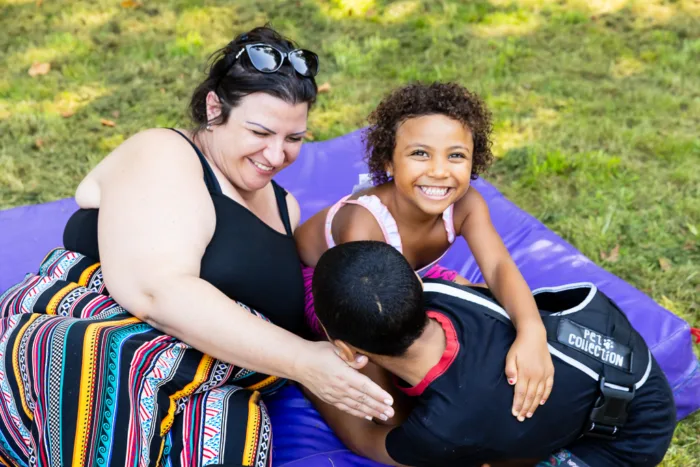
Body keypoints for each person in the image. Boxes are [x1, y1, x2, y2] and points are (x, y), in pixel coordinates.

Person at [0, 26, 394, 467]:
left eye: (294, 138)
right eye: (260, 131)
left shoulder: (286, 207)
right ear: (214, 108)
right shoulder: (164, 152)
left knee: (227, 432)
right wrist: (303, 360)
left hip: (215, 379)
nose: (277, 153)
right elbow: (155, 292)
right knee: (108, 366)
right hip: (99, 338)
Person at [296, 82, 554, 420]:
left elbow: (498, 267)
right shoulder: (363, 224)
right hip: (337, 289)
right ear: (388, 162)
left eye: (456, 155)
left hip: (405, 276)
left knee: (484, 304)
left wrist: (532, 331)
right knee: (384, 403)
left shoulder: (466, 205)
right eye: (420, 153)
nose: (439, 170)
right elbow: (363, 309)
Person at [308, 241, 677, 467]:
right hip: (608, 358)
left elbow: (365, 440)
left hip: (630, 435)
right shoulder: (442, 293)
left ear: (346, 349)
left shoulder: (437, 431)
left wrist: (307, 371)